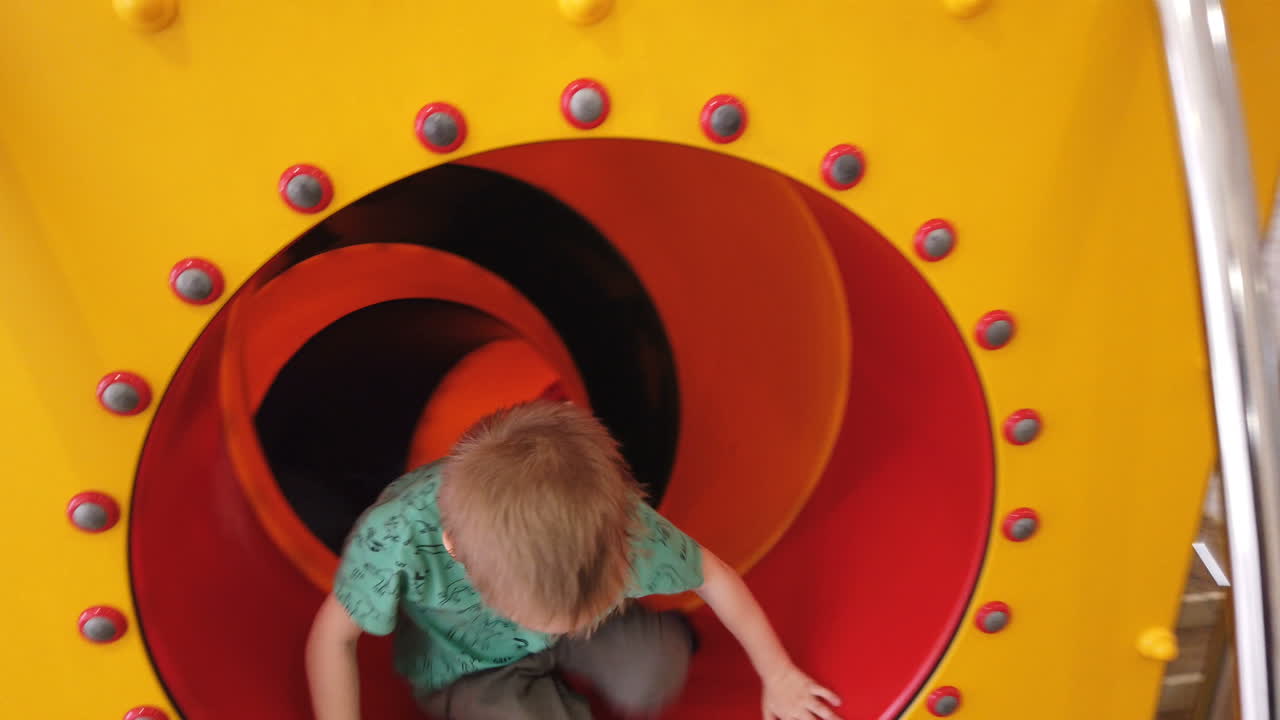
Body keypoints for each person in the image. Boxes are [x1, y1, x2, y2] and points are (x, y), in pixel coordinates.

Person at [306, 400, 841, 719]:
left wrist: (779, 673)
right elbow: (333, 638)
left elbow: (715, 577)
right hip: (466, 666)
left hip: (584, 627)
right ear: (456, 554)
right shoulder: (397, 535)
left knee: (654, 674)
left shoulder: (614, 527)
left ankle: (628, 643)